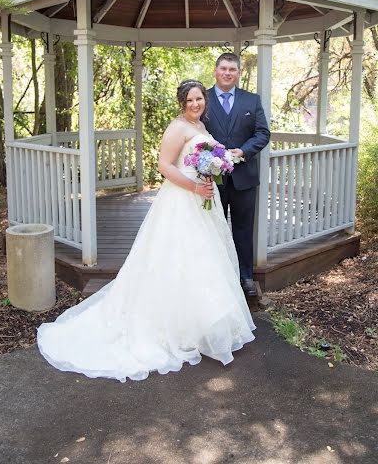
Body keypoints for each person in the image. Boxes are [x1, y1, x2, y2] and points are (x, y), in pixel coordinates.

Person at [37, 80, 256, 382]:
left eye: (199, 99)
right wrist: (194, 186)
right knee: (178, 259)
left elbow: (205, 160)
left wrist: (218, 165)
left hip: (204, 199)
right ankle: (172, 327)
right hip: (183, 199)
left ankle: (201, 325)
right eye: (191, 100)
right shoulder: (177, 127)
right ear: (182, 102)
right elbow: (164, 165)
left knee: (203, 261)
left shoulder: (202, 126)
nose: (196, 104)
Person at [204, 53, 271, 297]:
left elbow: (263, 133)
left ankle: (246, 277)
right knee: (214, 229)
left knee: (243, 230)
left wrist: (243, 151)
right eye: (223, 68)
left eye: (232, 69)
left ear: (238, 73)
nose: (227, 73)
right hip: (212, 180)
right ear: (215, 71)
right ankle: (217, 277)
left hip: (244, 179)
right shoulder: (203, 99)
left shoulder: (251, 101)